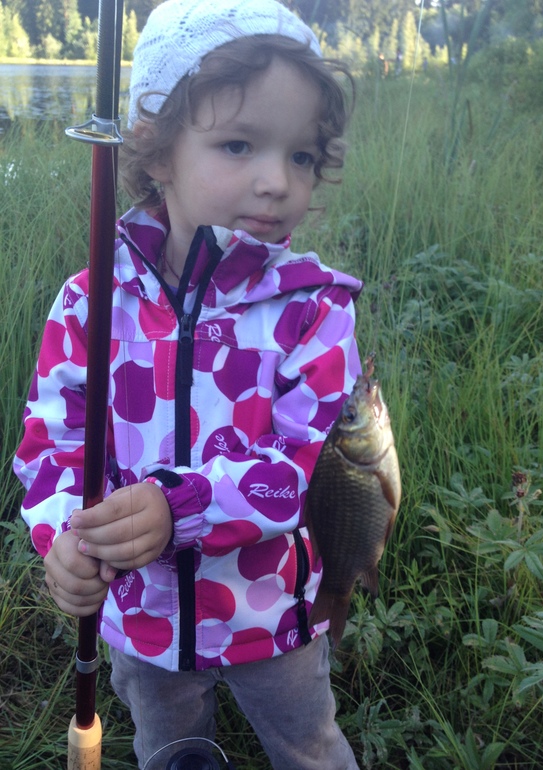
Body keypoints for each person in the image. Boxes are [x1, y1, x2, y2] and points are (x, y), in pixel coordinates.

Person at [13, 1, 364, 768]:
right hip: (141, 616)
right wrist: (62, 537)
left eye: (302, 156)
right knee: (168, 750)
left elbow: (299, 469)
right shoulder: (88, 303)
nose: (276, 181)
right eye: (239, 144)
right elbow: (50, 448)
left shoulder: (315, 311)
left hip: (271, 615)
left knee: (309, 745)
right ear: (158, 153)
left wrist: (180, 508)